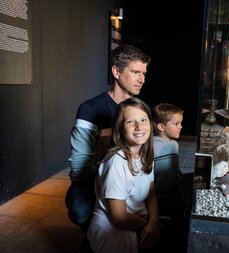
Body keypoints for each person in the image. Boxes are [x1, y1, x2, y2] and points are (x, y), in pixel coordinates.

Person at [64, 44, 151, 251]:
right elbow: (79, 167)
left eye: (144, 73)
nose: (142, 79)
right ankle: (93, 238)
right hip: (95, 179)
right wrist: (112, 184)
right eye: (136, 72)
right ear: (116, 71)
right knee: (80, 210)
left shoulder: (138, 110)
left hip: (131, 177)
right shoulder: (90, 109)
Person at [87, 97, 159, 253]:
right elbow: (119, 217)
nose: (139, 126)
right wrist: (148, 225)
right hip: (113, 230)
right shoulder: (116, 162)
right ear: (120, 129)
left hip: (138, 220)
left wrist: (154, 222)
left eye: (143, 119)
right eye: (130, 122)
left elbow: (151, 195)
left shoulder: (146, 154)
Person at [152, 103, 188, 252]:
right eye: (176, 123)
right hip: (158, 196)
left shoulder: (174, 145)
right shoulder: (152, 146)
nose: (181, 127)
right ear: (161, 126)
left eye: (181, 123)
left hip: (173, 192)